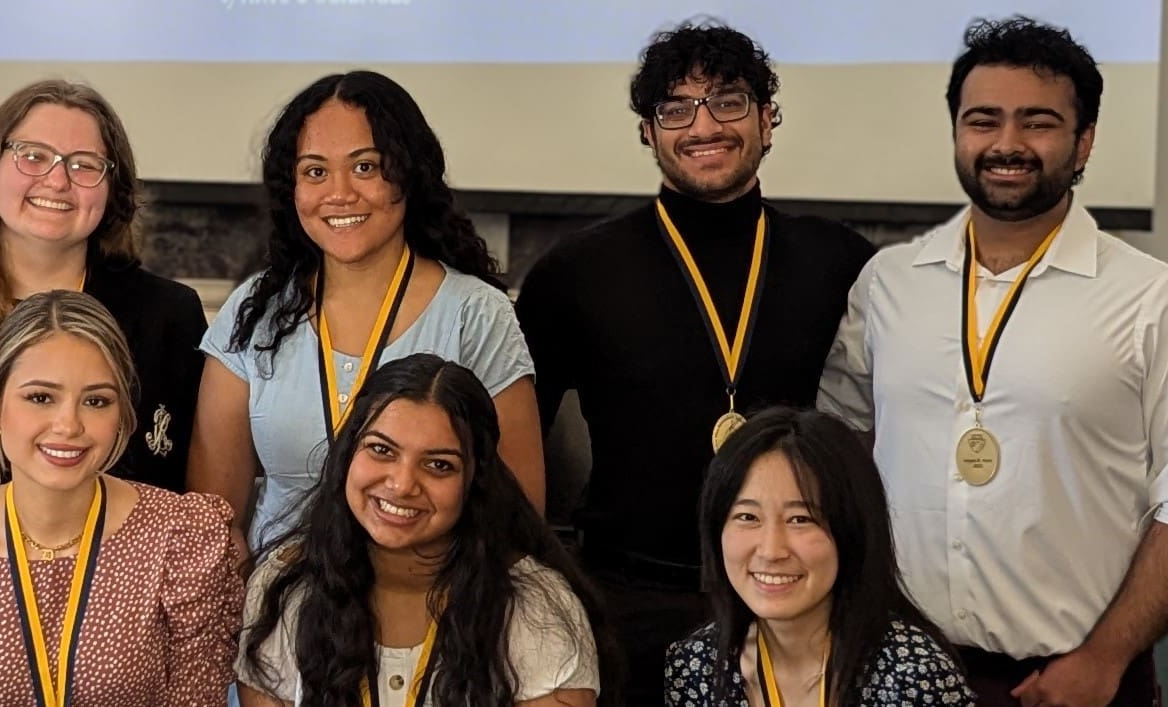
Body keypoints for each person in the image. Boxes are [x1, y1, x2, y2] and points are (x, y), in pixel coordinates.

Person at [816, 16, 1168, 706]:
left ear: (1084, 143)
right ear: (957, 132)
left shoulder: (1155, 302)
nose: (1007, 144)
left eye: (1038, 123)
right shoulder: (889, 283)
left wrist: (1105, 656)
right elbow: (840, 439)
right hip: (894, 672)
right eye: (983, 120)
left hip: (1075, 681)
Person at [514, 20, 877, 699]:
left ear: (769, 120)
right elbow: (508, 449)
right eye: (675, 108)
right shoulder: (574, 272)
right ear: (647, 133)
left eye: (729, 101)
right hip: (628, 605)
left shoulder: (841, 264)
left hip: (798, 602)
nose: (703, 125)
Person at [191, 70, 544, 550]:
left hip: (434, 608)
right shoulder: (255, 312)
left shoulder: (476, 314)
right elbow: (213, 522)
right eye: (315, 171)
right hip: (278, 605)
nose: (340, 193)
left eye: (365, 167)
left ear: (408, 173)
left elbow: (518, 520)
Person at [0, 290, 243, 706]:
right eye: (40, 397)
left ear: (122, 411)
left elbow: (195, 697)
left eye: (96, 401)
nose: (68, 425)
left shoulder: (182, 538)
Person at [0, 79, 205, 516]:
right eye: (33, 156)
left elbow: (185, 493)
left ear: (112, 189)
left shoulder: (168, 316)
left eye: (84, 165)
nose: (57, 180)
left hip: (118, 580)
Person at [236, 353, 611, 706]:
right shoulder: (284, 586)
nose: (402, 484)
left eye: (438, 465)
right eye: (381, 450)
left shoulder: (535, 608)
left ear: (475, 482)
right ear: (348, 452)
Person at [664, 407, 970, 706]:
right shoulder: (696, 667)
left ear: (852, 529)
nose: (771, 550)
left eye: (801, 519)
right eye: (747, 516)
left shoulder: (915, 676)